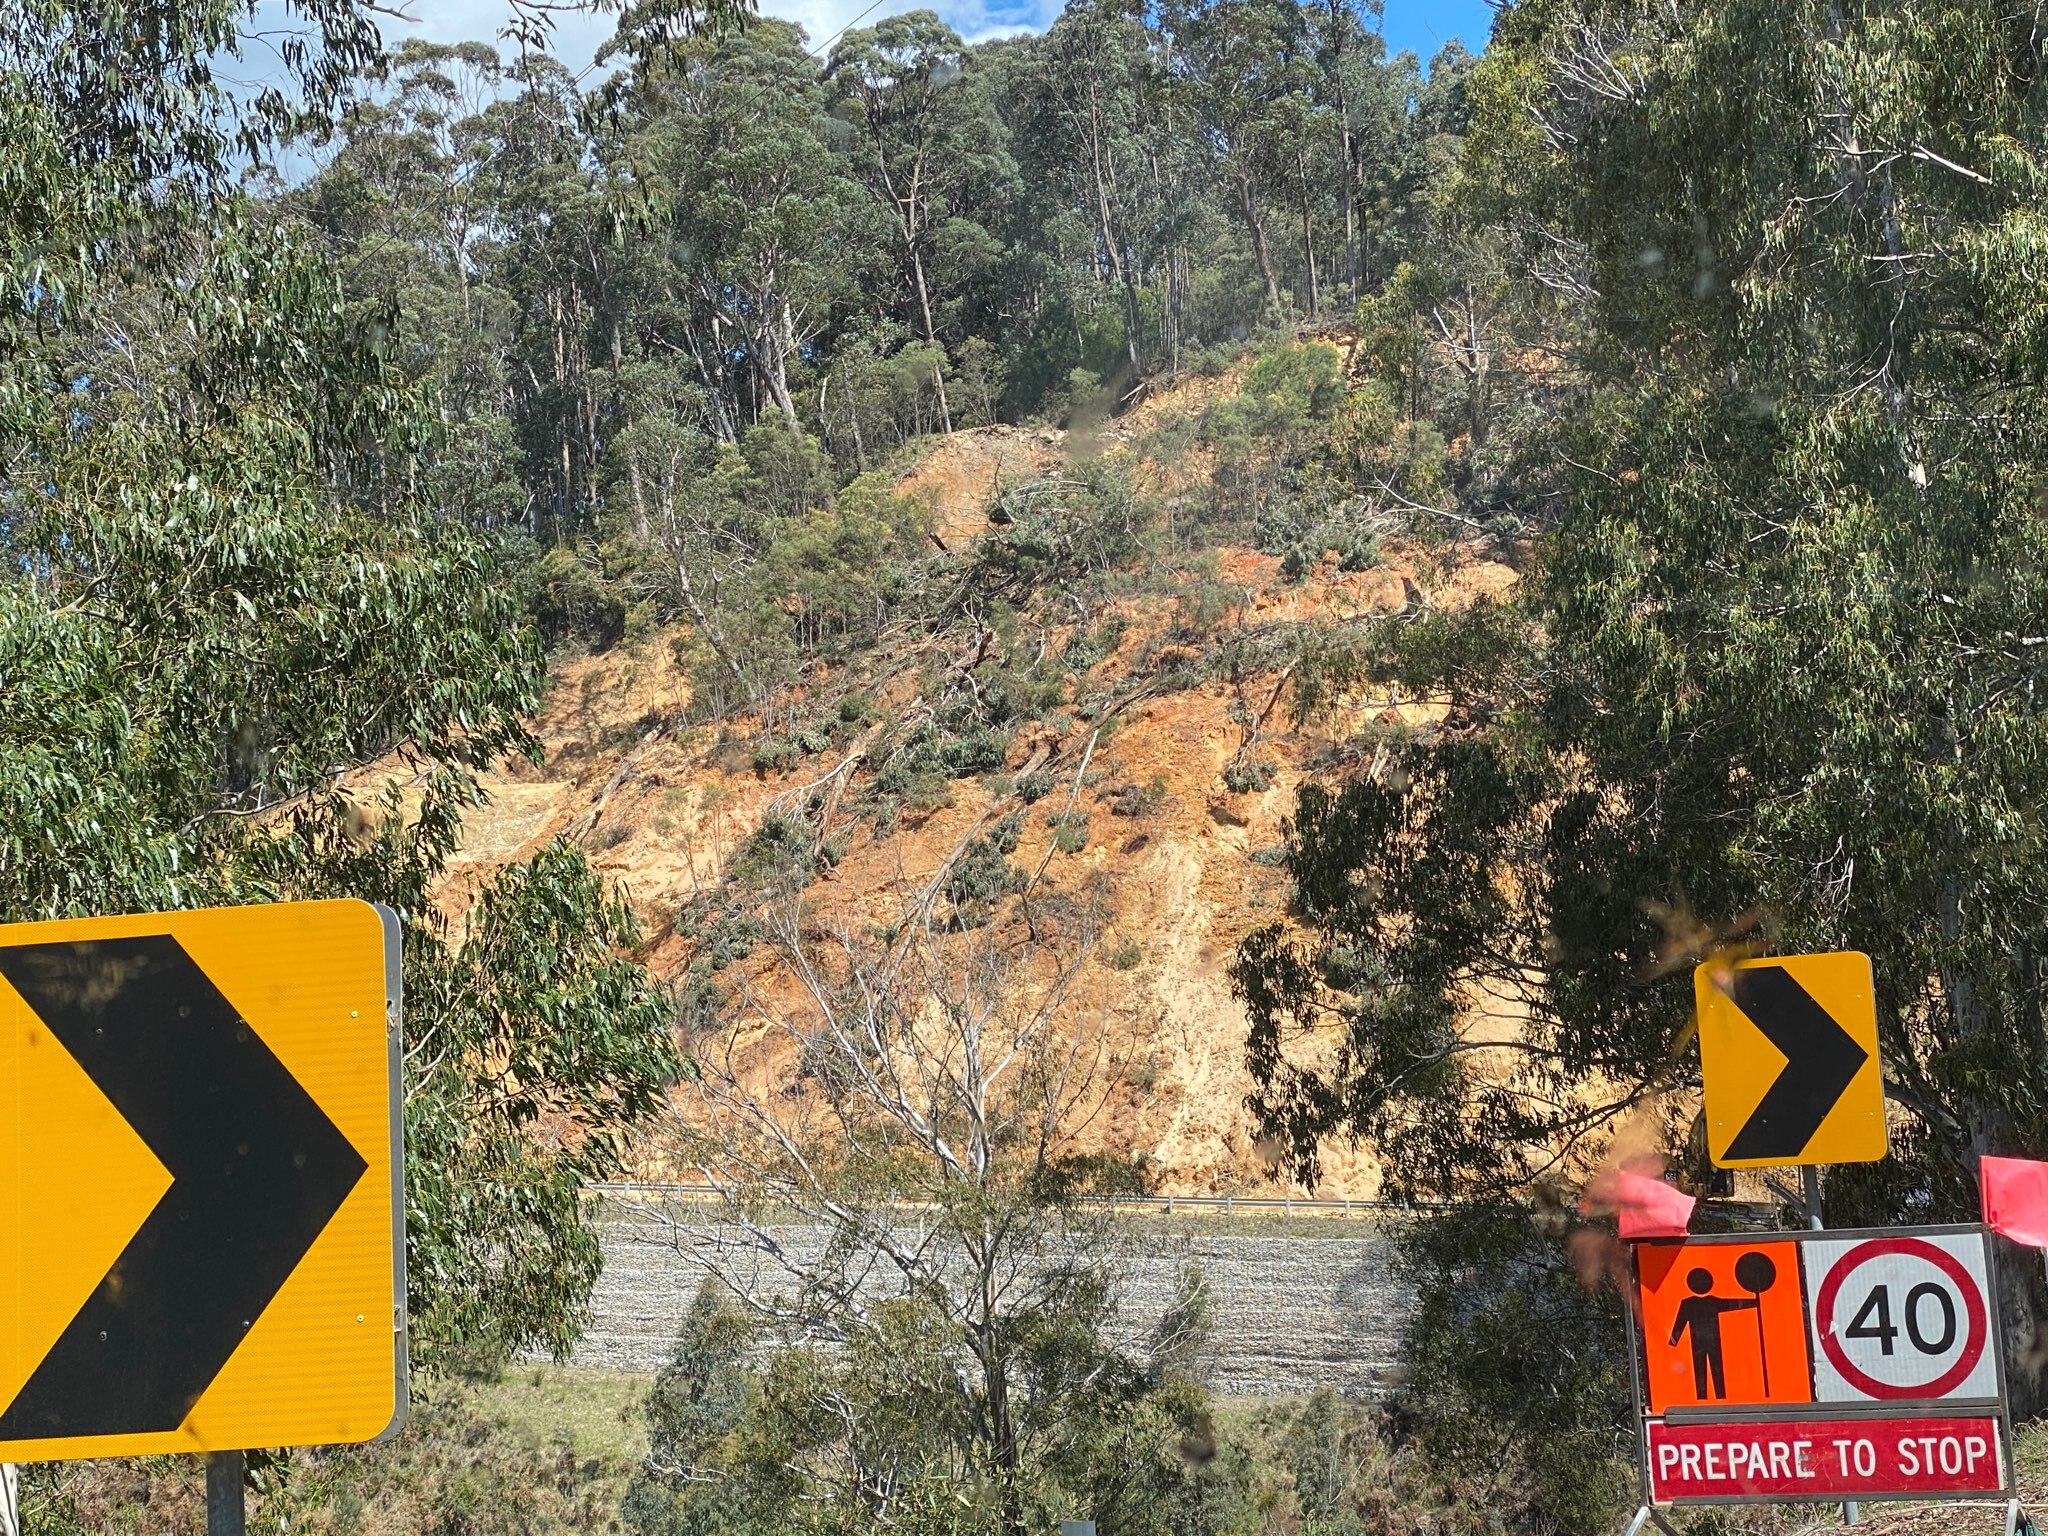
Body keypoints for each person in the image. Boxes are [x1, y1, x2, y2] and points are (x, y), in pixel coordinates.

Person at [1669, 1267, 1758, 1399]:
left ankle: (1716, 1396)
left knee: (1713, 1368)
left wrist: (1754, 1302)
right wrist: (1672, 1342)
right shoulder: (1695, 1303)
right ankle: (1708, 1397)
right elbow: (1679, 1323)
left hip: (1705, 1341)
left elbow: (1733, 1303)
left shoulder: (1697, 1302)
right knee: (1705, 1369)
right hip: (1705, 1341)